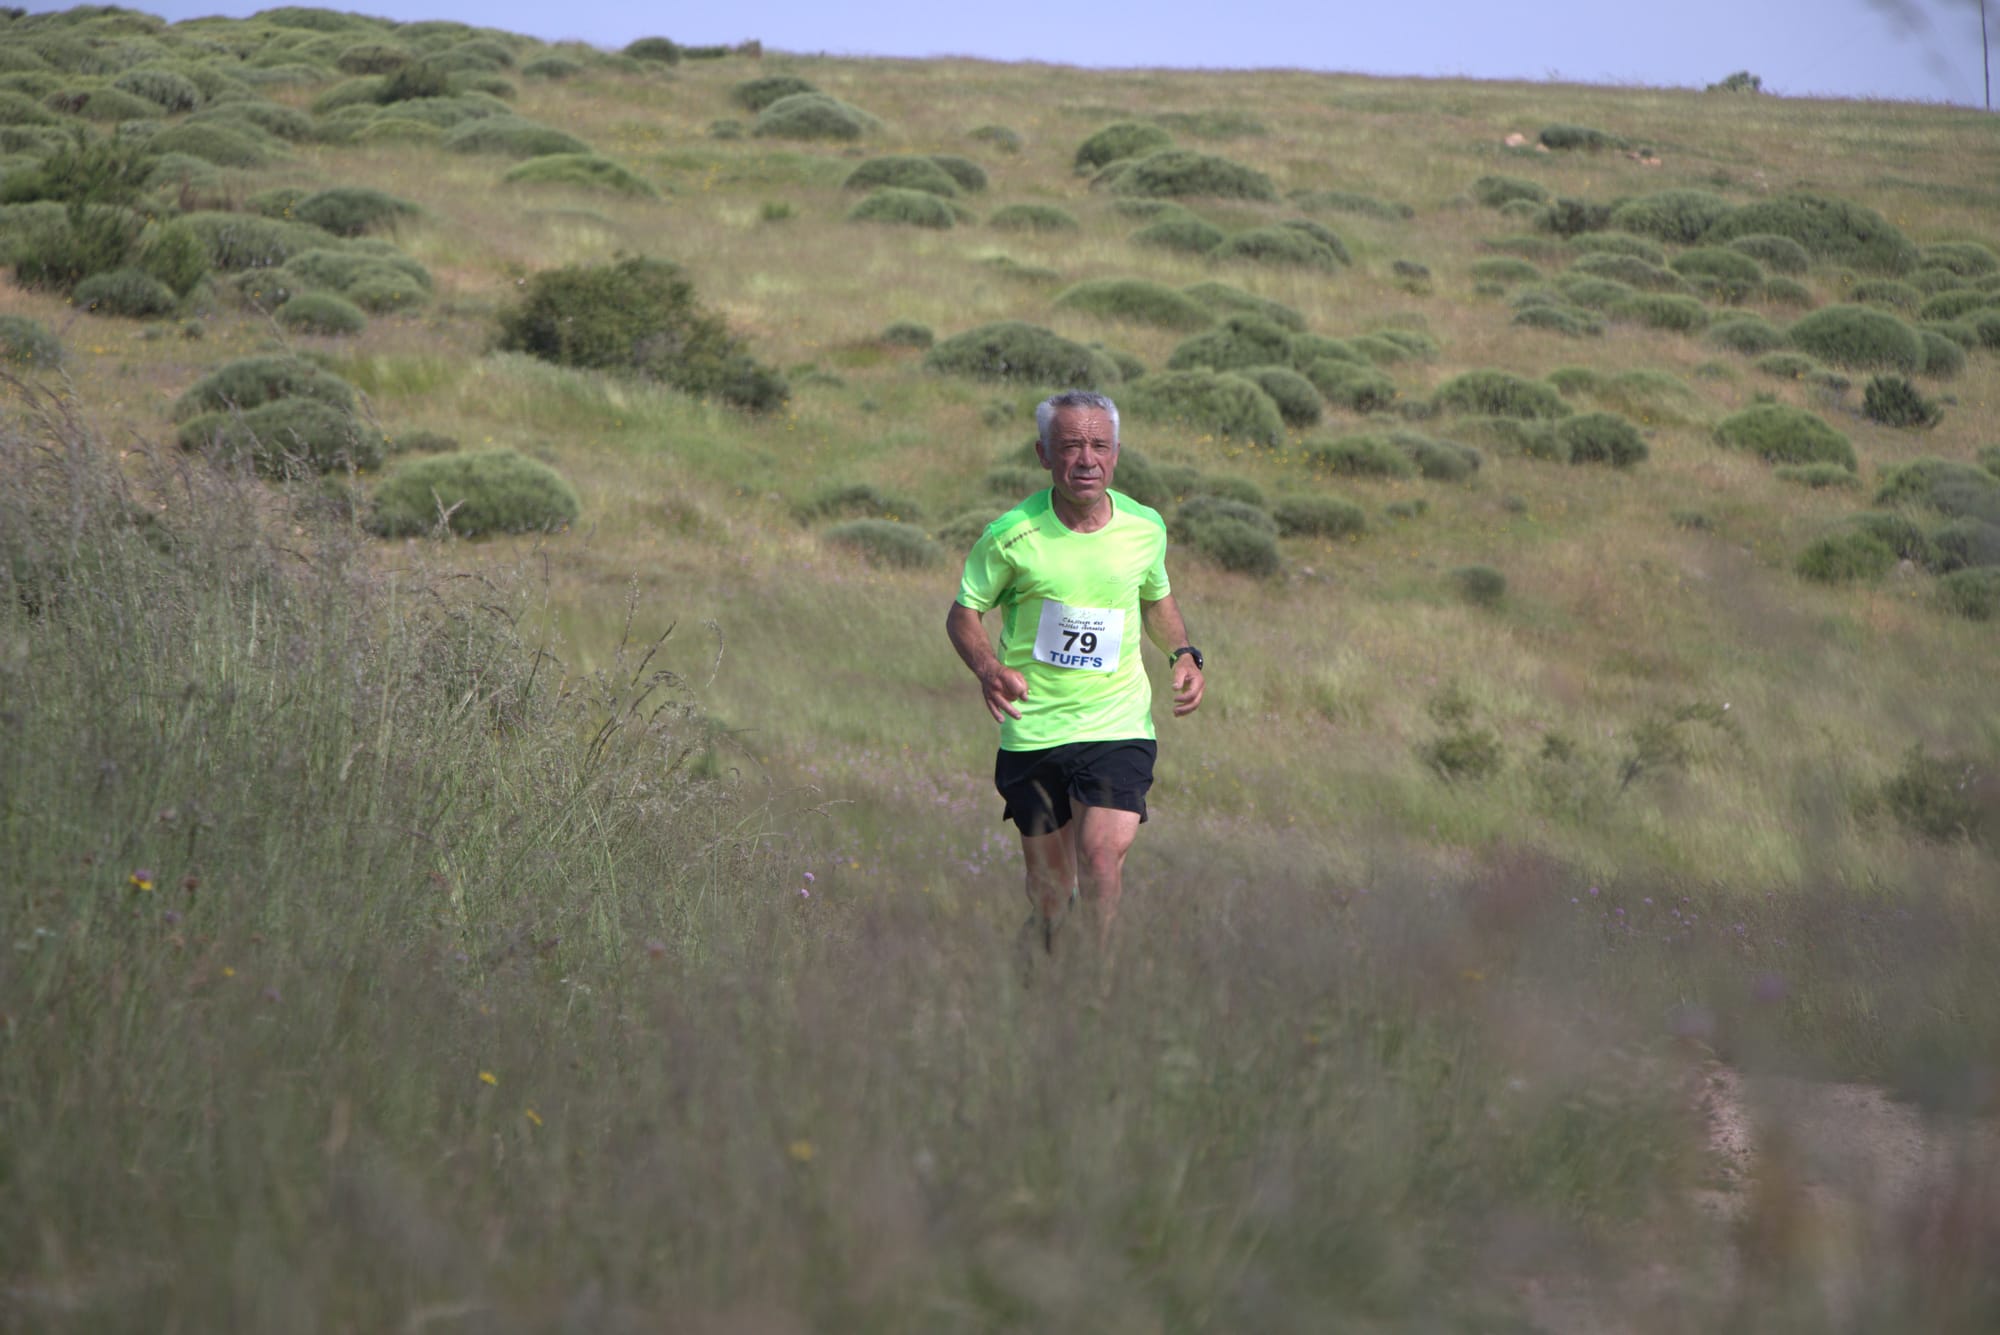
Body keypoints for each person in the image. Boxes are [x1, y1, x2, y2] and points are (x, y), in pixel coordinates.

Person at [945, 389, 1204, 962]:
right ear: (1044, 455)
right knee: (1051, 893)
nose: (1086, 459)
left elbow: (1155, 597)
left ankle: (1098, 987)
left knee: (1101, 856)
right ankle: (1041, 970)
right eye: (1070, 447)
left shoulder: (1145, 527)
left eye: (1099, 446)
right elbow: (963, 613)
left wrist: (1182, 652)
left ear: (1116, 454)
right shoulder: (1010, 535)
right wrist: (989, 668)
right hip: (1034, 729)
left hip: (1117, 724)